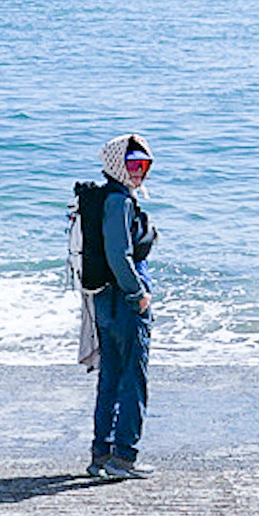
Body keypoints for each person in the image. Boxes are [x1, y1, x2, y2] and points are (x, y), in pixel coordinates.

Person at [88, 133, 158, 480]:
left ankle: (101, 454)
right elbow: (119, 255)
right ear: (117, 164)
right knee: (132, 378)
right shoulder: (120, 202)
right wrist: (137, 294)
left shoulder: (106, 198)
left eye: (144, 164)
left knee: (112, 375)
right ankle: (124, 458)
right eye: (132, 164)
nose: (139, 171)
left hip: (105, 298)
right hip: (124, 300)